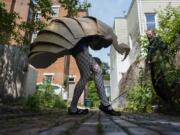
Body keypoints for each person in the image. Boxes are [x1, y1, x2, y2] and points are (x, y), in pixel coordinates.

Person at [68, 37, 121, 116]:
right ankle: (73, 108)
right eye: (102, 45)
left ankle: (105, 105)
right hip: (79, 47)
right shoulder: (91, 32)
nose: (102, 47)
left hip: (83, 48)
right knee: (85, 76)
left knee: (97, 70)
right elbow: (94, 45)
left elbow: (94, 45)